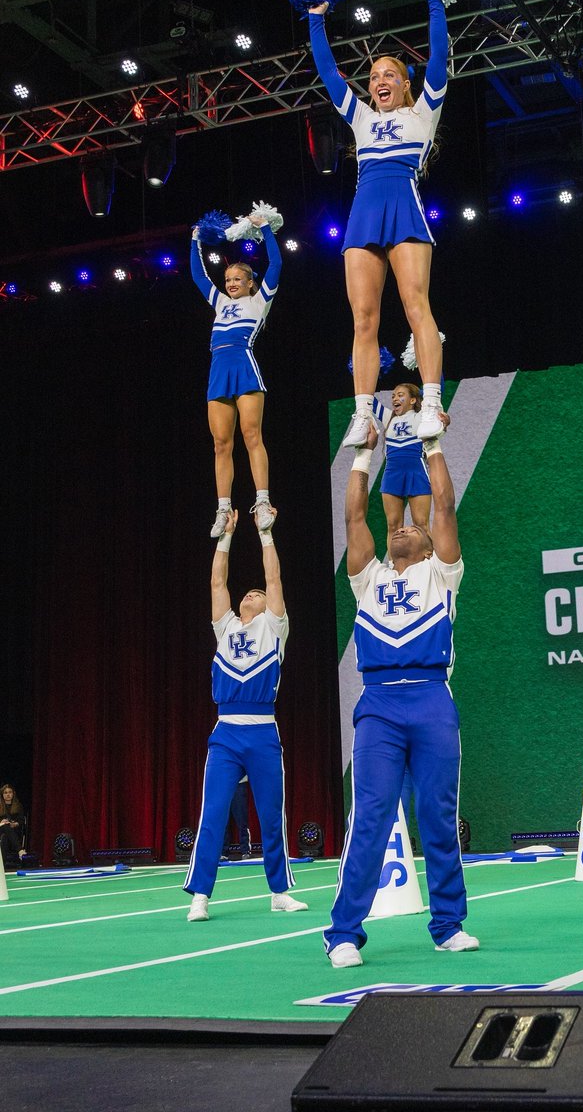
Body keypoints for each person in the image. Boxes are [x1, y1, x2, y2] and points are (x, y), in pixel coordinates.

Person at [324, 424, 477, 967]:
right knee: (370, 816)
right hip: (380, 705)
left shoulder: (442, 573)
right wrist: (362, 457)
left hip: (432, 698)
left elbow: (443, 504)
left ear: (431, 545)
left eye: (415, 526)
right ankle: (344, 932)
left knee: (437, 814)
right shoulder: (367, 578)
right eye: (400, 526)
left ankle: (448, 925)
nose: (403, 528)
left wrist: (432, 444)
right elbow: (353, 518)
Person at [308, 0, 448, 449]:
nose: (379, 80)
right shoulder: (361, 118)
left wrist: (435, 2)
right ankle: (364, 413)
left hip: (404, 209)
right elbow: (328, 73)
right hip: (364, 216)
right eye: (373, 76)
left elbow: (439, 57)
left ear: (406, 84)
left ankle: (432, 402)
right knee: (364, 320)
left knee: (416, 306)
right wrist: (316, 19)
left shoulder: (424, 112)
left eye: (389, 74)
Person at [183, 508, 307, 921]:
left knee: (271, 815)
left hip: (263, 732)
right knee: (213, 812)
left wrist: (265, 533)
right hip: (226, 733)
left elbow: (274, 579)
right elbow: (217, 582)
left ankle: (279, 891)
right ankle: (201, 894)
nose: (252, 593)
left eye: (258, 593)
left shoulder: (274, 627)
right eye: (248, 593)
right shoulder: (226, 627)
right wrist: (226, 537)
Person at [191, 213, 282, 537]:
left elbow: (276, 264)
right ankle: (223, 508)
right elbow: (199, 276)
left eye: (237, 279)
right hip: (218, 371)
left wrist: (264, 228)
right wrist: (195, 239)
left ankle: (262, 501)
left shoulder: (259, 301)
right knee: (221, 444)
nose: (230, 283)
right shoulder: (219, 302)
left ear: (249, 282)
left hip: (244, 368)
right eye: (228, 279)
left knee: (251, 435)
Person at [374, 382, 450, 557]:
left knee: (421, 525)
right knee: (393, 525)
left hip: (416, 473)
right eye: (393, 395)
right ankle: (394, 565)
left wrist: (446, 420)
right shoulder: (388, 417)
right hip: (392, 475)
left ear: (413, 400)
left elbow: (437, 388)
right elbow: (369, 401)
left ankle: (428, 564)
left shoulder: (422, 416)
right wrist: (361, 372)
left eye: (400, 395)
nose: (395, 398)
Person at [0, 782, 27, 869]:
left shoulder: (18, 806)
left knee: (5, 837)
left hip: (14, 832)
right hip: (1, 829)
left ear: (13, 794)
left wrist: (14, 824)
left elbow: (21, 821)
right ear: (2, 795)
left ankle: (2, 866)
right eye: (5, 793)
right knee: (5, 826)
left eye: (10, 792)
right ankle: (20, 850)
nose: (8, 794)